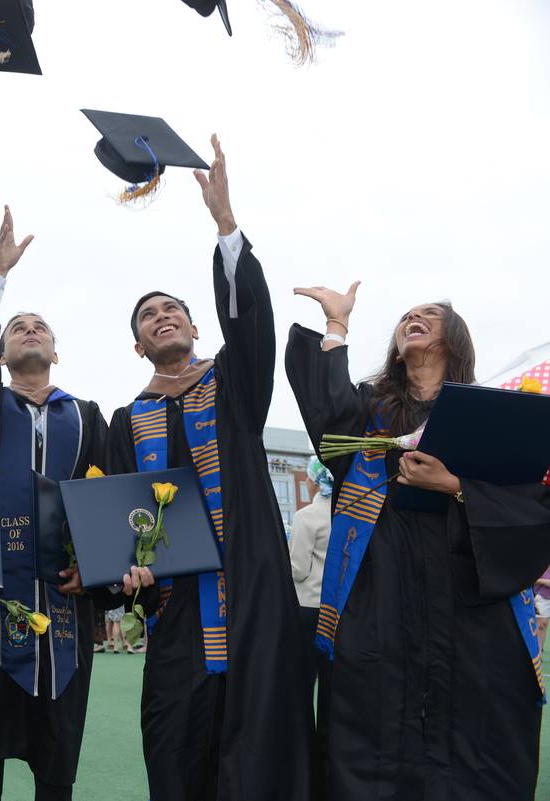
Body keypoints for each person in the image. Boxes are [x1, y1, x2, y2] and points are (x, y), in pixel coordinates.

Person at [105, 136, 312, 801]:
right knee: (175, 752)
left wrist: (226, 226)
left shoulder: (233, 383)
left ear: (196, 328)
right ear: (138, 346)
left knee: (258, 754)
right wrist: (125, 575)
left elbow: (251, 320)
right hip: (176, 613)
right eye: (148, 317)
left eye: (173, 310)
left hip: (250, 591)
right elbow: (118, 518)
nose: (162, 316)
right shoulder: (127, 418)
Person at [285, 289, 550, 800]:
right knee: (371, 743)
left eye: (429, 315)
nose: (414, 318)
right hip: (380, 603)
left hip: (472, 609)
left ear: (453, 339)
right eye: (407, 316)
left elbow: (532, 509)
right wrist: (336, 326)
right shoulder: (367, 415)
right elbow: (325, 409)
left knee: (478, 749)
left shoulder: (492, 418)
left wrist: (454, 487)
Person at [0, 206, 117, 801]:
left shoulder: (87, 416)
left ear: (57, 353)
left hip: (66, 600)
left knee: (56, 762)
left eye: (40, 326)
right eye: (16, 327)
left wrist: (101, 569)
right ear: (0, 354)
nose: (29, 330)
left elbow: (109, 497)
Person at [289, 455, 333, 692]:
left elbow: (298, 569)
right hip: (338, 608)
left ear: (315, 482)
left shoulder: (305, 516)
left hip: (308, 607)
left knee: (304, 677)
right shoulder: (345, 513)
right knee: (333, 679)